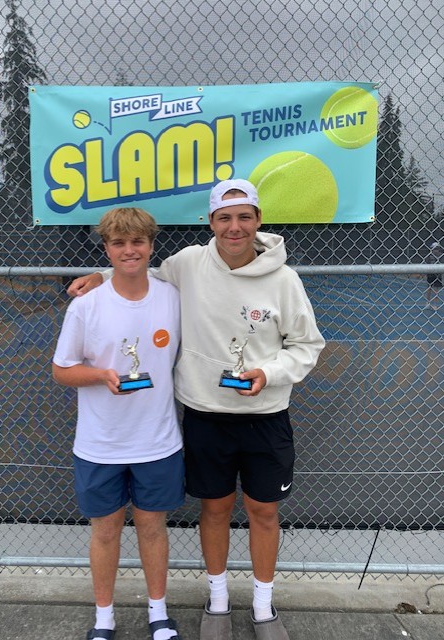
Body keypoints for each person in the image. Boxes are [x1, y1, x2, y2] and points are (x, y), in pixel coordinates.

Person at [68, 180, 325, 640]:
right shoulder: (188, 263)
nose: (234, 227)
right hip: (206, 415)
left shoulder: (285, 279)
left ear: (258, 221)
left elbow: (308, 345)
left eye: (244, 217)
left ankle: (264, 609)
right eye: (224, 218)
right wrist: (99, 278)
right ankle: (219, 602)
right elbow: (139, 270)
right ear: (210, 223)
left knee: (264, 512)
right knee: (215, 509)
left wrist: (269, 373)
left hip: (266, 416)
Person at [53, 207, 184, 640]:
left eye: (137, 242)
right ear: (106, 249)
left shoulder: (172, 296)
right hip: (100, 445)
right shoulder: (86, 306)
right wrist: (101, 376)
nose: (129, 251)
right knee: (106, 531)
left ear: (150, 245)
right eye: (119, 243)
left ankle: (158, 613)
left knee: (152, 527)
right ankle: (103, 618)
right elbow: (61, 370)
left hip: (158, 441)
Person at [425, 241, 443, 310]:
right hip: (430, 274)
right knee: (429, 288)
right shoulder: (429, 256)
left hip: (438, 275)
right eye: (434, 249)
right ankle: (428, 302)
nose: (435, 250)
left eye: (437, 248)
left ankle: (435, 304)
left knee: (436, 290)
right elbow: (426, 263)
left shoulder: (441, 256)